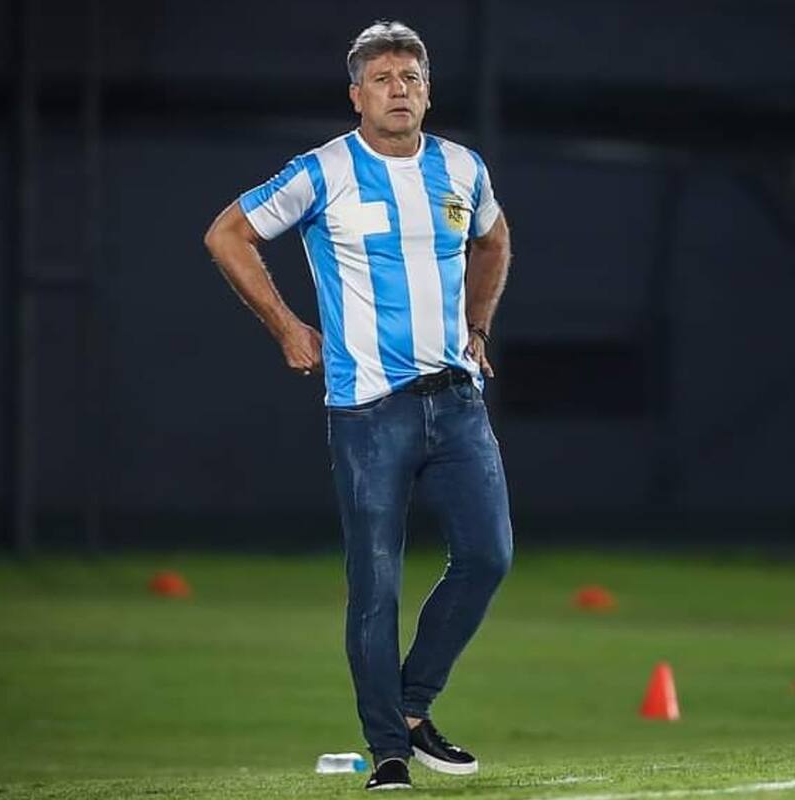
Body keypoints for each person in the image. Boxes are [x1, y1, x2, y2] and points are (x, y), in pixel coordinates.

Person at [203, 20, 513, 792]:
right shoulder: (324, 171)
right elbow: (228, 234)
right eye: (382, 78)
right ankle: (390, 754)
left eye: (411, 77)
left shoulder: (462, 169)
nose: (399, 89)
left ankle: (411, 707)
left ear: (428, 91)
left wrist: (478, 328)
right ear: (356, 96)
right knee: (376, 583)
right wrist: (285, 326)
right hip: (369, 413)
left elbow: (495, 240)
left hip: (457, 404)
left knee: (488, 556)